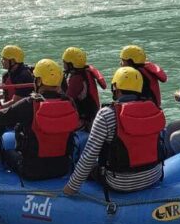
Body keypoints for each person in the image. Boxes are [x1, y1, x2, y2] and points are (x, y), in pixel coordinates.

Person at [63, 67, 165, 196]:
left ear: (115, 88)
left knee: (81, 162)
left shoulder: (107, 114)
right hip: (154, 175)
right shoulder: (154, 109)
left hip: (120, 182)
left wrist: (71, 187)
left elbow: (89, 156)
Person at [0, 59, 79, 180]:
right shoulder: (70, 102)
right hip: (62, 169)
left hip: (32, 171)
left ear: (38, 81)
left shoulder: (29, 104)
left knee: (6, 151)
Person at [61, 47, 106, 131]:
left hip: (85, 120)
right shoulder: (86, 72)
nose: (63, 65)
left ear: (71, 64)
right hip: (92, 115)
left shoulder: (77, 79)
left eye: (64, 62)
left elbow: (67, 100)